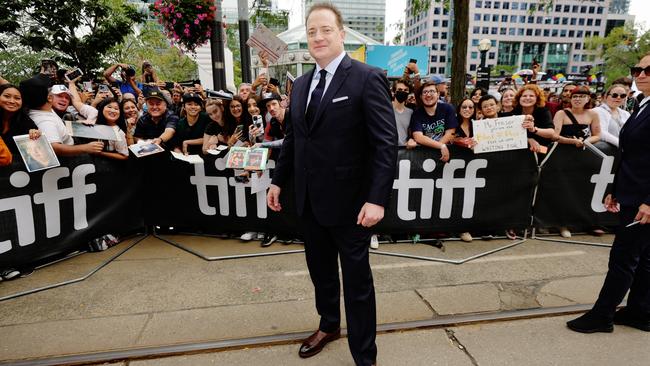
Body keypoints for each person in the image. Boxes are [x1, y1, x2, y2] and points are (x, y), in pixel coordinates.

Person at [267, 4, 397, 365]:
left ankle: (364, 356)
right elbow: (294, 139)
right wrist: (278, 182)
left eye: (325, 30)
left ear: (342, 34)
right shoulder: (303, 83)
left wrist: (377, 199)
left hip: (353, 205)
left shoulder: (367, 77)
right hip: (308, 201)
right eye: (312, 31)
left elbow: (385, 143)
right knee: (321, 273)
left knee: (357, 285)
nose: (318, 37)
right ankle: (328, 325)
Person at [566, 53, 650, 334]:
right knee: (643, 257)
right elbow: (630, 154)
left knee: (624, 258)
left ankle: (603, 315)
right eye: (637, 69)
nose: (640, 74)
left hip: (643, 200)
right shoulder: (642, 104)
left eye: (648, 70)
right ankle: (640, 311)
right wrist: (615, 190)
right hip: (631, 192)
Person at [553, 85, 601, 238]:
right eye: (575, 96)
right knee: (563, 189)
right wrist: (571, 141)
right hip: (563, 154)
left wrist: (586, 141)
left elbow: (597, 134)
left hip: (584, 154)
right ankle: (562, 224)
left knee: (581, 188)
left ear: (588, 99)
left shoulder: (593, 114)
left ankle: (581, 222)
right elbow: (554, 135)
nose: (578, 99)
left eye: (582, 96)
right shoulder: (561, 113)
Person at [21, 76, 103, 156]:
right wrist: (85, 148)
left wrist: (71, 83)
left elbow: (76, 102)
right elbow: (54, 147)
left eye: (67, 98)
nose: (64, 100)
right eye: (59, 96)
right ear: (50, 98)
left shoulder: (45, 108)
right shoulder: (45, 121)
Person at [410, 80, 457, 162]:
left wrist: (439, 147)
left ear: (438, 94)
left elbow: (450, 133)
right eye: (425, 92)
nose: (428, 95)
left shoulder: (448, 108)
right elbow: (418, 137)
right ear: (421, 96)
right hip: (424, 156)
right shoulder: (417, 113)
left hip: (445, 154)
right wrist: (440, 146)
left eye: (432, 91)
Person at [0, 84, 41, 155]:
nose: (12, 101)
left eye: (17, 98)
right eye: (7, 96)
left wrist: (34, 133)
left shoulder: (25, 119)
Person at [392, 79, 415, 148]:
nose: (402, 92)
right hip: (388, 151)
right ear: (394, 91)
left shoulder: (410, 112)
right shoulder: (386, 110)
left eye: (405, 90)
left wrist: (411, 140)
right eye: (400, 89)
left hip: (404, 152)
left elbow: (411, 133)